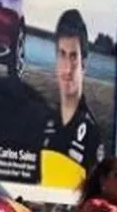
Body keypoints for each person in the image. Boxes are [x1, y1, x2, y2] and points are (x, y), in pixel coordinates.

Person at [42, 9, 105, 184]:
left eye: (73, 57)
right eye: (62, 55)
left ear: (84, 62)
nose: (67, 68)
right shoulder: (42, 121)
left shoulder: (92, 134)